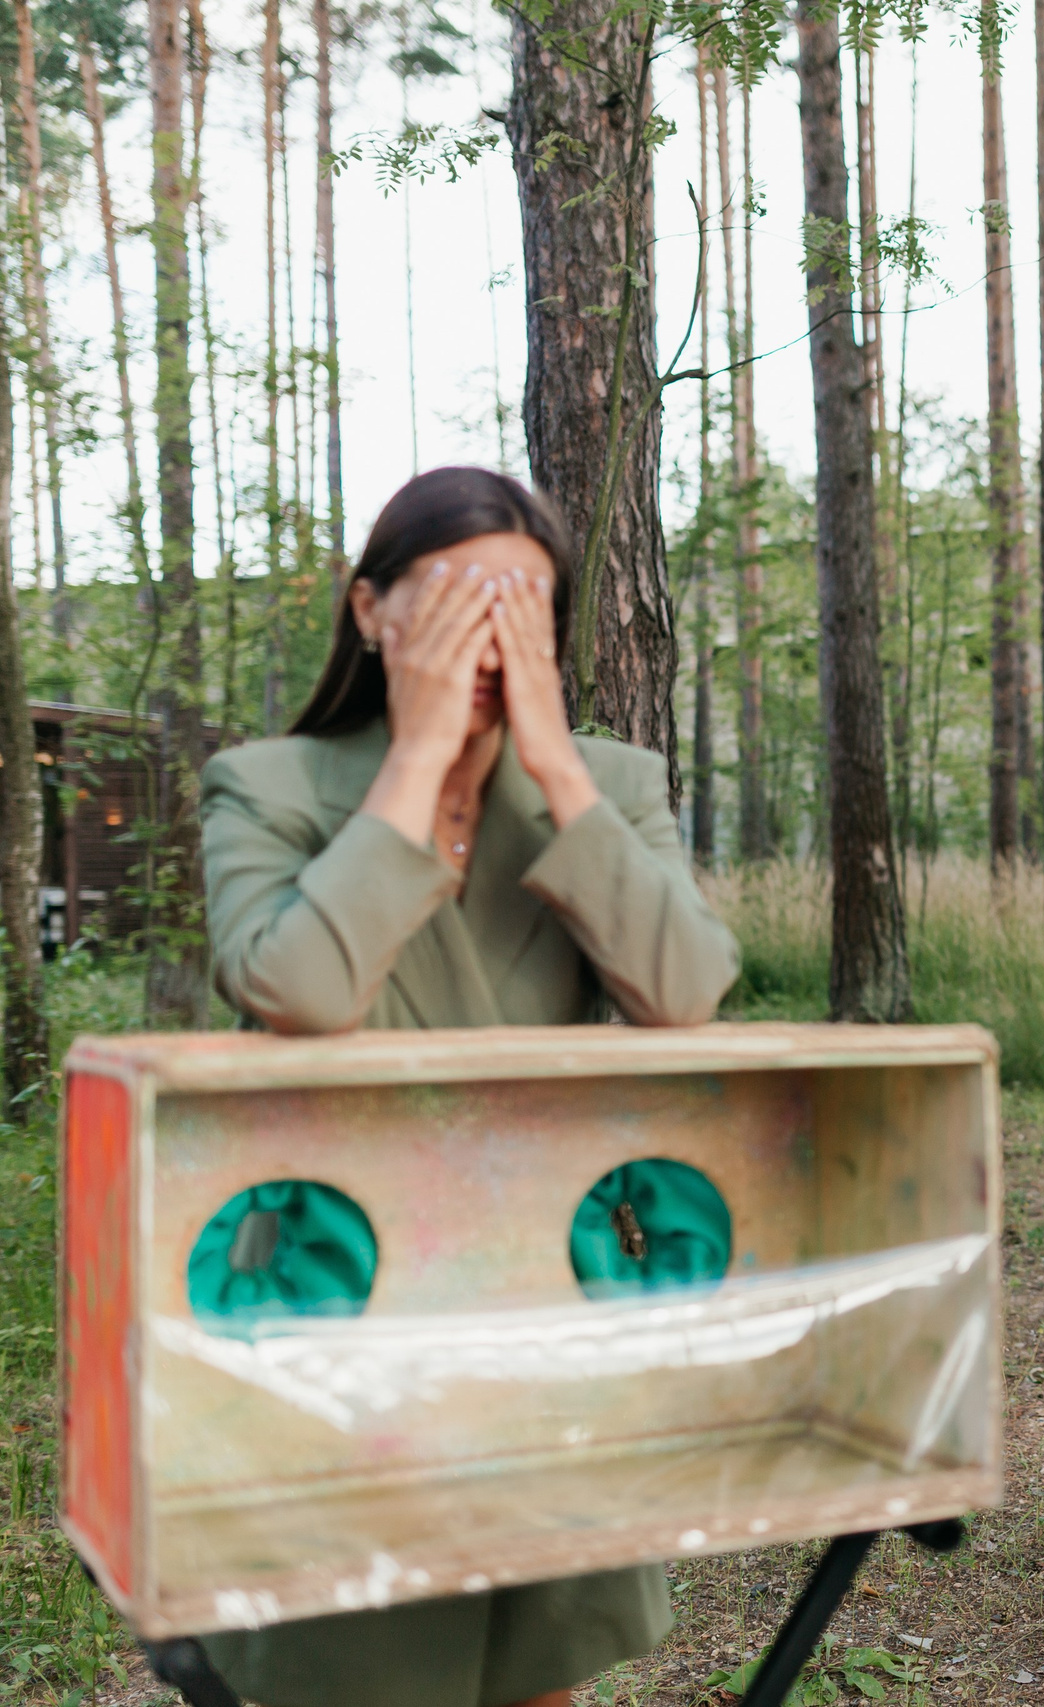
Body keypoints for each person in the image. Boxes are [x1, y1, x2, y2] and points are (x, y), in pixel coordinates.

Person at [193, 466, 739, 1707]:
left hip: (549, 1292)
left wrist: (553, 766)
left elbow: (687, 986)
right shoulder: (267, 787)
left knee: (537, 1660)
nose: (490, 636)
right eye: (453, 600)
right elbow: (299, 989)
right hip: (342, 1300)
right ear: (372, 610)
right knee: (358, 1666)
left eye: (522, 609)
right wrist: (424, 749)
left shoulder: (608, 787)